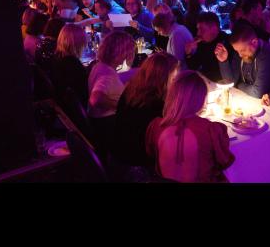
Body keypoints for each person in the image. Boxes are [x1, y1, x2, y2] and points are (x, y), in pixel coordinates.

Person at [145, 70, 235, 183]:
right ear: (201, 99)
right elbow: (225, 161)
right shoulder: (210, 129)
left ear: (172, 96)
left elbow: (152, 155)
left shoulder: (155, 127)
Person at [111, 52, 180, 172]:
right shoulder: (155, 105)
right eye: (173, 79)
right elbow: (166, 141)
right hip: (137, 169)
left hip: (117, 158)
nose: (175, 83)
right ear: (162, 79)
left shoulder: (132, 90)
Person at [88, 30, 136, 160]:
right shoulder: (107, 76)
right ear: (122, 53)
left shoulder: (99, 66)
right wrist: (121, 106)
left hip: (99, 125)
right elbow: (95, 99)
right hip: (109, 127)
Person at [214, 24, 270, 99]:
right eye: (237, 51)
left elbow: (257, 93)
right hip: (251, 99)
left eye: (243, 50)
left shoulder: (267, 54)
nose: (240, 55)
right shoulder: (240, 51)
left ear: (254, 42)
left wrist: (239, 85)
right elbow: (229, 83)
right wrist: (224, 61)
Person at [185, 12, 230, 82]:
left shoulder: (227, 43)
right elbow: (193, 66)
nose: (198, 33)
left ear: (214, 29)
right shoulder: (202, 43)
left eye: (202, 29)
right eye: (198, 29)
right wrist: (189, 53)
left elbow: (225, 76)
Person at [51, 24, 89, 107]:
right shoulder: (74, 66)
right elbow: (84, 95)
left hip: (60, 105)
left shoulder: (57, 56)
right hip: (73, 109)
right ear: (79, 44)